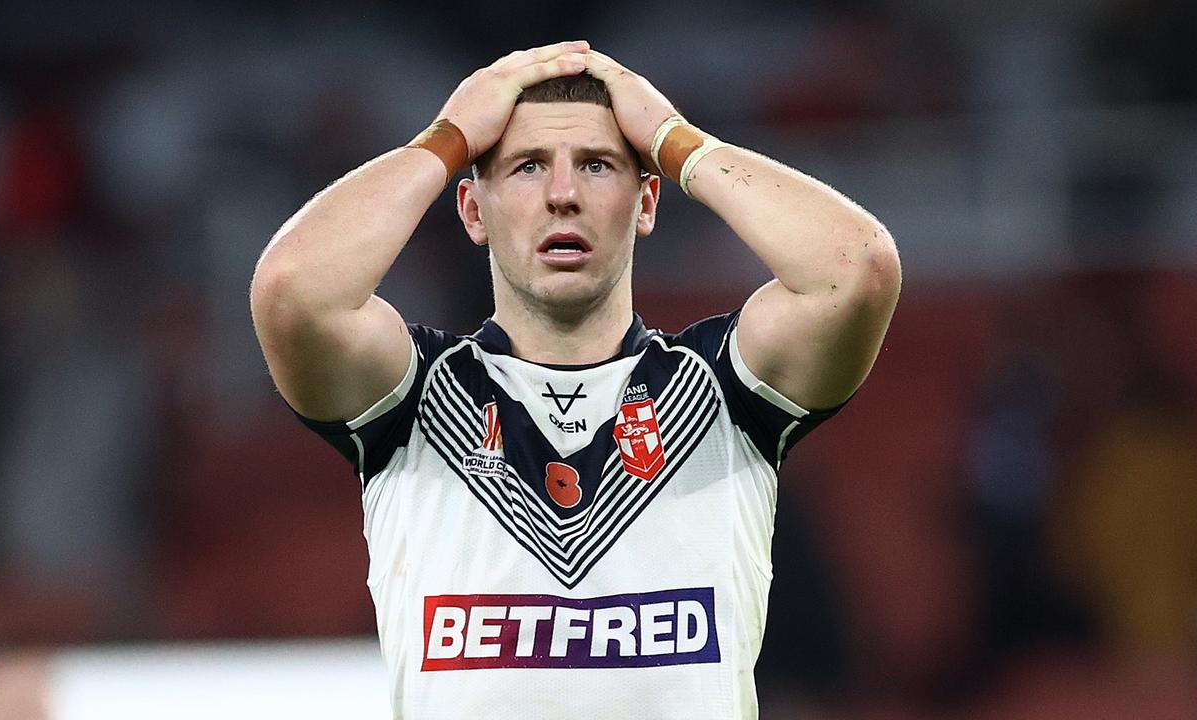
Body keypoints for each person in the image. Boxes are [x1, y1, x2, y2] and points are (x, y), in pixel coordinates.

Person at [250, 41, 901, 720]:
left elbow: (856, 270)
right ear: (473, 210)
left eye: (596, 165)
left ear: (647, 203)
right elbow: (295, 291)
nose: (563, 195)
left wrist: (673, 140)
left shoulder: (719, 394)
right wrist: (448, 140)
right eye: (529, 167)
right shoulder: (416, 401)